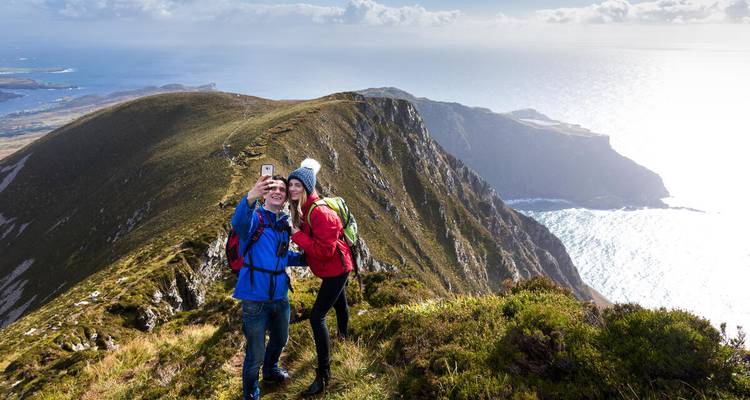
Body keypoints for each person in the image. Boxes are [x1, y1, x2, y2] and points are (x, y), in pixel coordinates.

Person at [231, 174, 305, 400]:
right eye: (272, 188)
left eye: (282, 190)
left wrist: (309, 256)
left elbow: (282, 256)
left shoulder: (283, 224)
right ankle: (251, 394)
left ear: (285, 197)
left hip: (280, 296)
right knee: (255, 353)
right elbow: (239, 223)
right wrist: (251, 195)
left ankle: (271, 371)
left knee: (281, 339)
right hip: (255, 298)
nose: (278, 192)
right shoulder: (255, 219)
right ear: (265, 193)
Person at [287, 158, 354, 397]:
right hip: (335, 269)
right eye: (290, 185)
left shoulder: (320, 213)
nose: (292, 189)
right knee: (340, 304)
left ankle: (324, 375)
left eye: (297, 185)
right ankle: (345, 339)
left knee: (317, 318)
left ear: (308, 187)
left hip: (337, 270)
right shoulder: (307, 209)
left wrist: (296, 236)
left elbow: (325, 251)